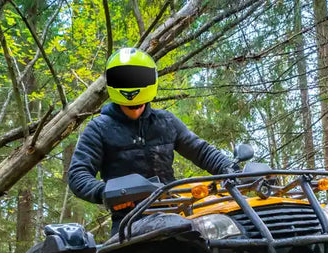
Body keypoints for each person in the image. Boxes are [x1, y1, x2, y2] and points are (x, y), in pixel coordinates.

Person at [68, 47, 236, 236]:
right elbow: (78, 174)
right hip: (128, 222)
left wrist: (230, 169)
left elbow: (201, 151)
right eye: (124, 78)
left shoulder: (166, 121)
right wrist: (107, 192)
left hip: (176, 213)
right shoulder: (99, 128)